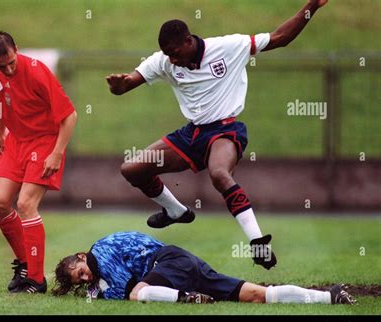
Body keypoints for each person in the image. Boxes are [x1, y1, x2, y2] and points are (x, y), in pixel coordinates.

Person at [105, 0, 329, 270]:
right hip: (191, 133)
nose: (172, 60)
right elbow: (127, 83)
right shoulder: (164, 61)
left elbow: (280, 38)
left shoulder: (229, 47)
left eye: (175, 53)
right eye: (167, 54)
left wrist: (312, 6)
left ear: (189, 41)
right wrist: (118, 87)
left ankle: (257, 241)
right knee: (132, 169)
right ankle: (176, 211)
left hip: (225, 129)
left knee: (219, 174)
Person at [0, 31, 77, 293]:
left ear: (17, 50)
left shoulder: (37, 72)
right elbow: (2, 102)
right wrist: (0, 131)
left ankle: (36, 279)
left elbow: (70, 116)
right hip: (16, 142)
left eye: (12, 62)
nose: (8, 69)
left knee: (25, 204)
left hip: (45, 140)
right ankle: (25, 263)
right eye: (1, 66)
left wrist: (57, 152)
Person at [52, 231, 355, 305]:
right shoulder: (103, 255)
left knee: (138, 294)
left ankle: (185, 297)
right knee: (255, 295)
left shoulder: (99, 255)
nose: (86, 276)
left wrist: (95, 292)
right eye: (80, 279)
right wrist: (92, 290)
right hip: (182, 261)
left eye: (81, 271)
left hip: (168, 264)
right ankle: (329, 297)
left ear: (82, 256)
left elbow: (126, 290)